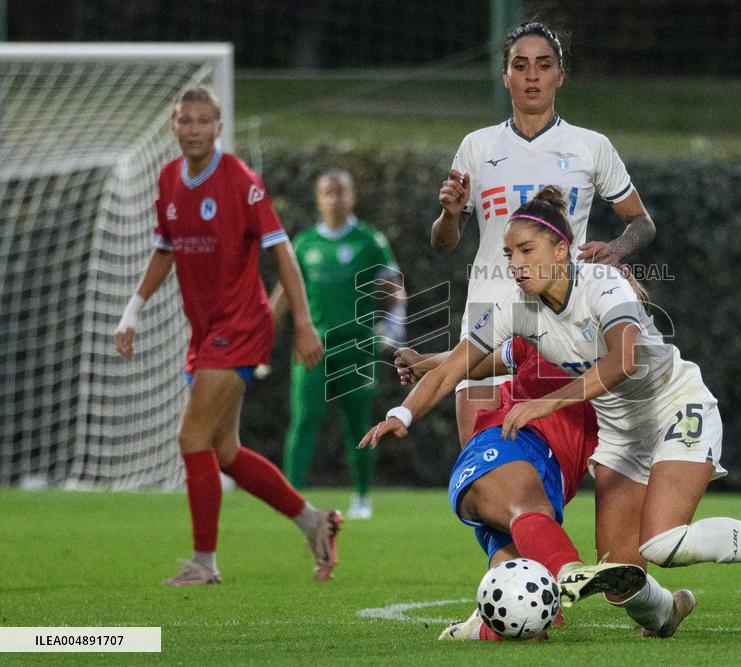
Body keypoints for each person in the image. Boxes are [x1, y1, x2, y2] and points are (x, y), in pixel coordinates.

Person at [366, 187, 741, 637]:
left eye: (527, 251)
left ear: (561, 250)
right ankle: (667, 614)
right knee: (621, 578)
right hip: (620, 433)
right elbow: (454, 368)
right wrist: (401, 414)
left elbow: (625, 360)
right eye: (510, 254)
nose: (515, 264)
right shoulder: (516, 308)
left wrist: (548, 401)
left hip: (675, 404)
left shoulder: (602, 283)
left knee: (664, 543)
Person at [114, 86, 342, 586]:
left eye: (203, 121)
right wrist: (132, 310)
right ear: (174, 127)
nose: (193, 128)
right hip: (205, 331)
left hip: (241, 325)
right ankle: (315, 522)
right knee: (224, 452)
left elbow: (282, 251)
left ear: (218, 128)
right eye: (184, 120)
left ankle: (204, 562)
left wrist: (302, 323)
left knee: (190, 437)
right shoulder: (170, 178)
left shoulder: (239, 180)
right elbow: (164, 248)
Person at [430, 21, 656, 448]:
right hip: (485, 313)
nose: (532, 75)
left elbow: (642, 222)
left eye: (543, 65)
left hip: (561, 326)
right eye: (520, 65)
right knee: (479, 470)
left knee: (551, 472)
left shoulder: (591, 146)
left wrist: (617, 248)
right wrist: (450, 215)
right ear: (505, 77)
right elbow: (444, 243)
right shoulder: (477, 147)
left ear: (560, 75)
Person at [387, 336, 657, 642]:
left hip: (553, 481)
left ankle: (482, 629)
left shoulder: (630, 369)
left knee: (527, 620)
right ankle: (570, 571)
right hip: (507, 440)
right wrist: (419, 366)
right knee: (527, 508)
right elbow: (476, 362)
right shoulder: (543, 334)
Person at [263, 168, 406, 519]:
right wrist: (261, 335)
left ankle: (361, 498)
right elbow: (284, 293)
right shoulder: (304, 243)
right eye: (328, 192)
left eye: (341, 191)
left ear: (352, 196)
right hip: (313, 347)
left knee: (358, 423)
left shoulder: (369, 241)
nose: (335, 198)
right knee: (304, 419)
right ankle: (290, 498)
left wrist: (395, 321)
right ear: (318, 199)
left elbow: (394, 288)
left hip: (357, 346)